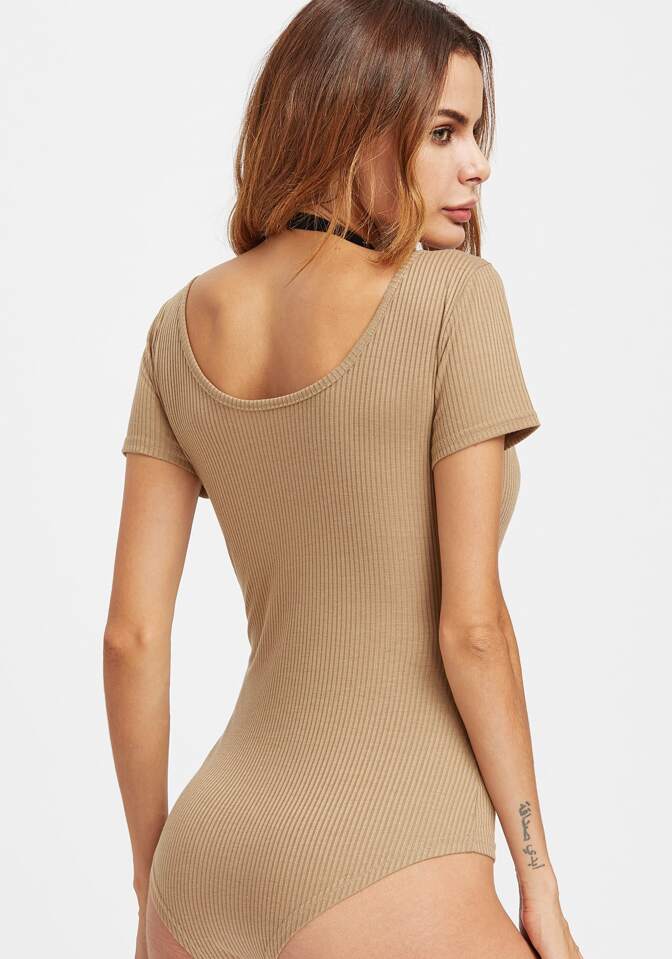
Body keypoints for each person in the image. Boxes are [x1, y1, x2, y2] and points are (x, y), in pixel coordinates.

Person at [104, 2, 584, 958]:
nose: (477, 165)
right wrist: (539, 880)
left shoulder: (179, 326)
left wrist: (154, 872)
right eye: (443, 132)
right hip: (387, 848)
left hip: (206, 855)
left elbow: (132, 636)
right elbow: (473, 629)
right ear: (354, 126)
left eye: (476, 131)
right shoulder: (455, 299)